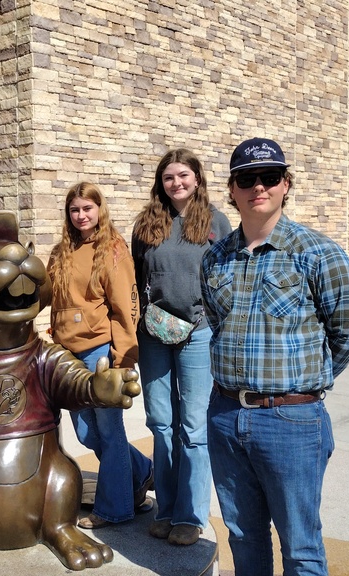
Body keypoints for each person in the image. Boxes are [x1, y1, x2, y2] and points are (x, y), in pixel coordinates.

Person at [201, 137, 349, 575]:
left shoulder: (318, 253)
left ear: (286, 184)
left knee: (300, 545)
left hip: (290, 420)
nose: (259, 187)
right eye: (247, 179)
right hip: (224, 414)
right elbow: (219, 324)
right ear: (232, 189)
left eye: (270, 177)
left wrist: (304, 379)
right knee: (243, 536)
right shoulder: (215, 259)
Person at [131, 148, 233, 545]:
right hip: (154, 332)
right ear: (161, 183)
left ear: (197, 178)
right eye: (169, 177)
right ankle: (167, 508)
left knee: (192, 426)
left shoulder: (216, 221)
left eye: (183, 175)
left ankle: (191, 516)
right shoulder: (146, 224)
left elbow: (228, 275)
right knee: (160, 422)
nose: (177, 183)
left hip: (199, 331)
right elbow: (136, 278)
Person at [46, 181, 154, 529]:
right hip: (68, 354)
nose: (81, 215)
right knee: (85, 432)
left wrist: (124, 357)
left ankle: (114, 508)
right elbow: (46, 293)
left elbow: (126, 306)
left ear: (99, 209)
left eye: (87, 209)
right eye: (75, 209)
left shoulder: (112, 249)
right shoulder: (61, 250)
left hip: (100, 353)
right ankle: (141, 472)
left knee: (109, 430)